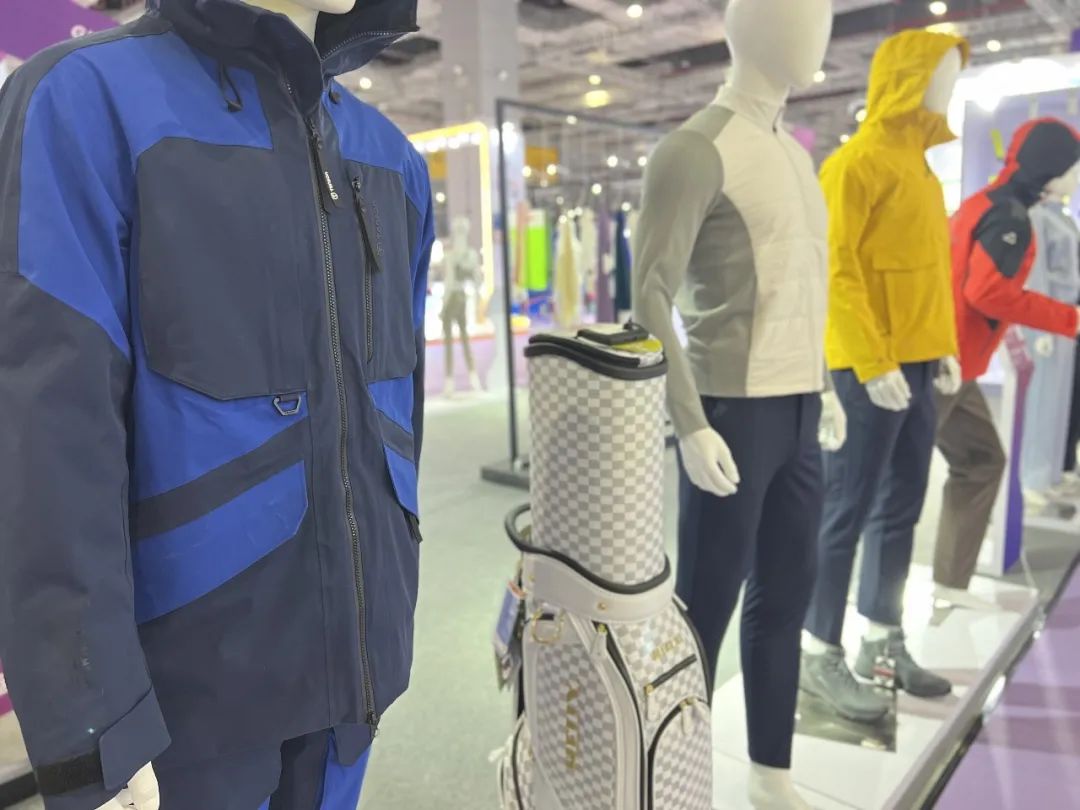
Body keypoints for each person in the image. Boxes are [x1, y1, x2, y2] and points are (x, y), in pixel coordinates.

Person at [0, 0, 433, 807]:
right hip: (184, 720)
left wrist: (386, 615)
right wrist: (93, 735)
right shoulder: (85, 101)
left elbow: (399, 415)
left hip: (353, 693)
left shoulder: (391, 158)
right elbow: (45, 449)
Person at [935, 118, 1080, 606]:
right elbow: (987, 292)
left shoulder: (990, 204)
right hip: (944, 366)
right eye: (1073, 167)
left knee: (982, 461)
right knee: (888, 487)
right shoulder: (1009, 215)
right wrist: (1069, 319)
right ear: (1051, 167)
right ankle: (867, 613)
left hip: (956, 364)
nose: (1076, 177)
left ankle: (949, 586)